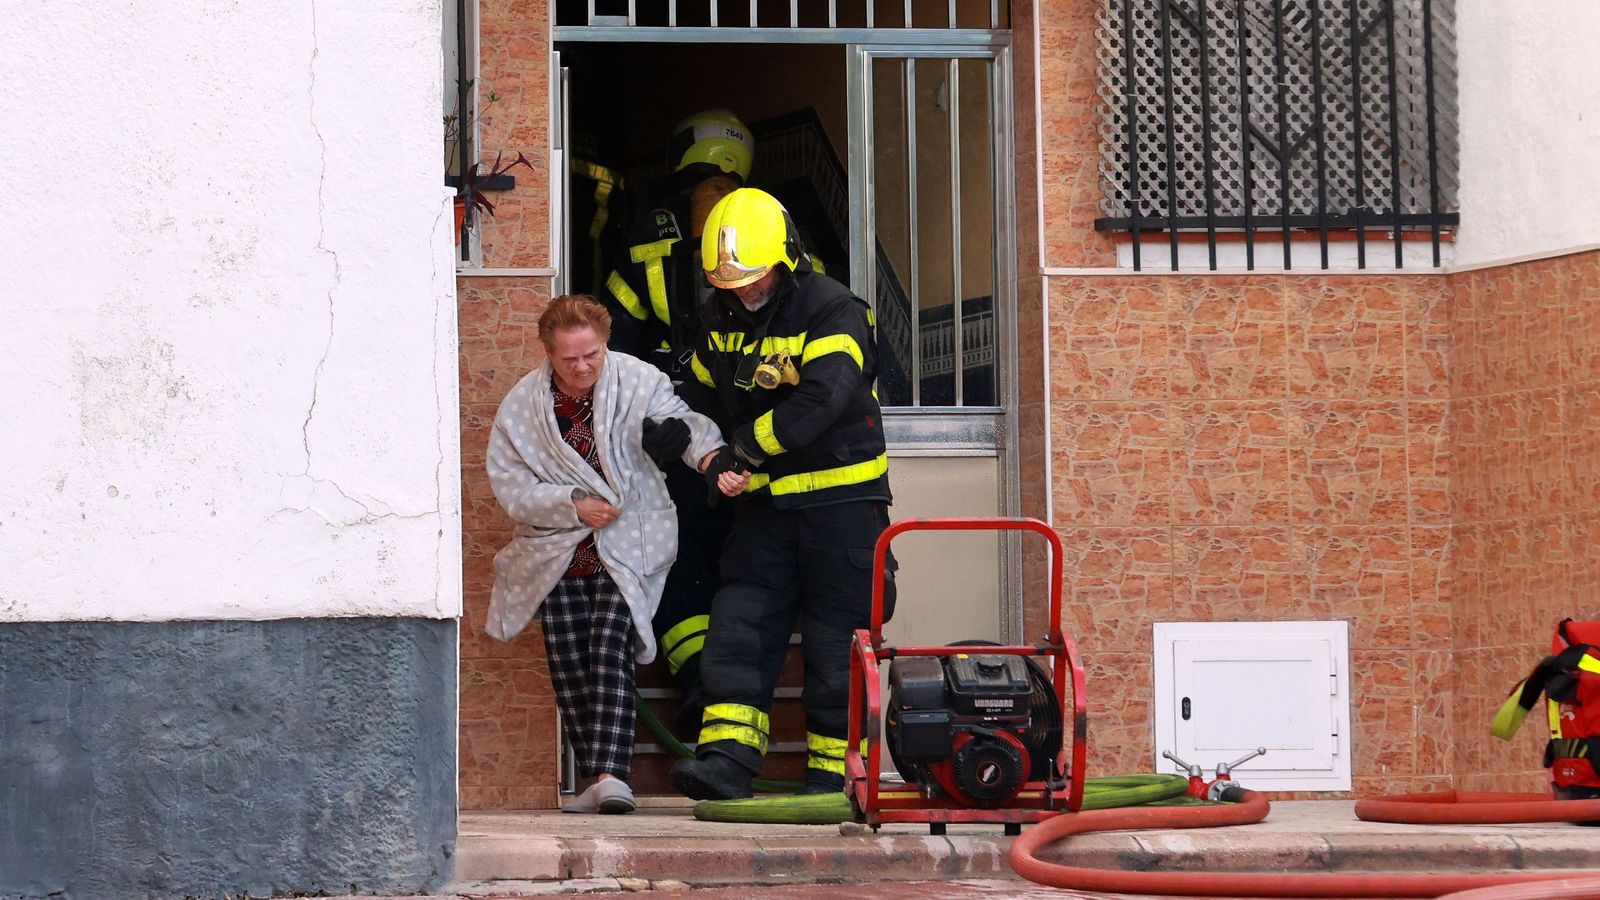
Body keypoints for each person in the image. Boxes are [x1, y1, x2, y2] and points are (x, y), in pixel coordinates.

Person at [669, 187, 898, 800]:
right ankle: (726, 762)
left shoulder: (833, 310)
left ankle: (834, 776)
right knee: (740, 627)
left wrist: (743, 449)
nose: (743, 290)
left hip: (843, 509)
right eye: (730, 280)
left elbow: (822, 400)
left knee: (835, 645)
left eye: (754, 277)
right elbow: (694, 397)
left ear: (787, 257)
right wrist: (705, 452)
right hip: (766, 510)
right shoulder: (718, 318)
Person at [484, 294, 726, 814]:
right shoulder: (521, 407)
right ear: (547, 352)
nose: (582, 366)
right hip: (556, 550)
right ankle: (596, 774)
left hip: (627, 541)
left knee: (610, 651)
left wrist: (706, 455)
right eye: (569, 358)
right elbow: (510, 486)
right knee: (570, 665)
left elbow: (680, 423)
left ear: (605, 343)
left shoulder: (638, 380)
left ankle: (613, 776)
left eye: (591, 354)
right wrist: (571, 503)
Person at [598, 108, 755, 735]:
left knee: (703, 568)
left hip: (724, 450)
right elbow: (612, 352)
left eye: (710, 191)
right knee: (693, 565)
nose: (703, 202)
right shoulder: (776, 241)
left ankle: (706, 681)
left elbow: (616, 344)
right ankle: (707, 683)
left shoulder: (647, 239)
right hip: (699, 445)